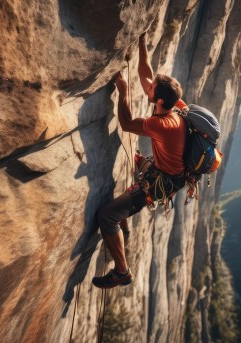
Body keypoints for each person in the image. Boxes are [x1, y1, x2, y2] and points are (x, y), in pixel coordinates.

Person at [92, 33, 188, 289]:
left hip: (160, 184)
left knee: (107, 216)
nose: (149, 85)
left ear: (157, 100)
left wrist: (123, 92)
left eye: (152, 88)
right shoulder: (172, 104)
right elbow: (147, 74)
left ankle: (122, 272)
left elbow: (126, 123)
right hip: (162, 171)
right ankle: (124, 230)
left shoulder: (163, 124)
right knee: (135, 158)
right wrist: (142, 43)